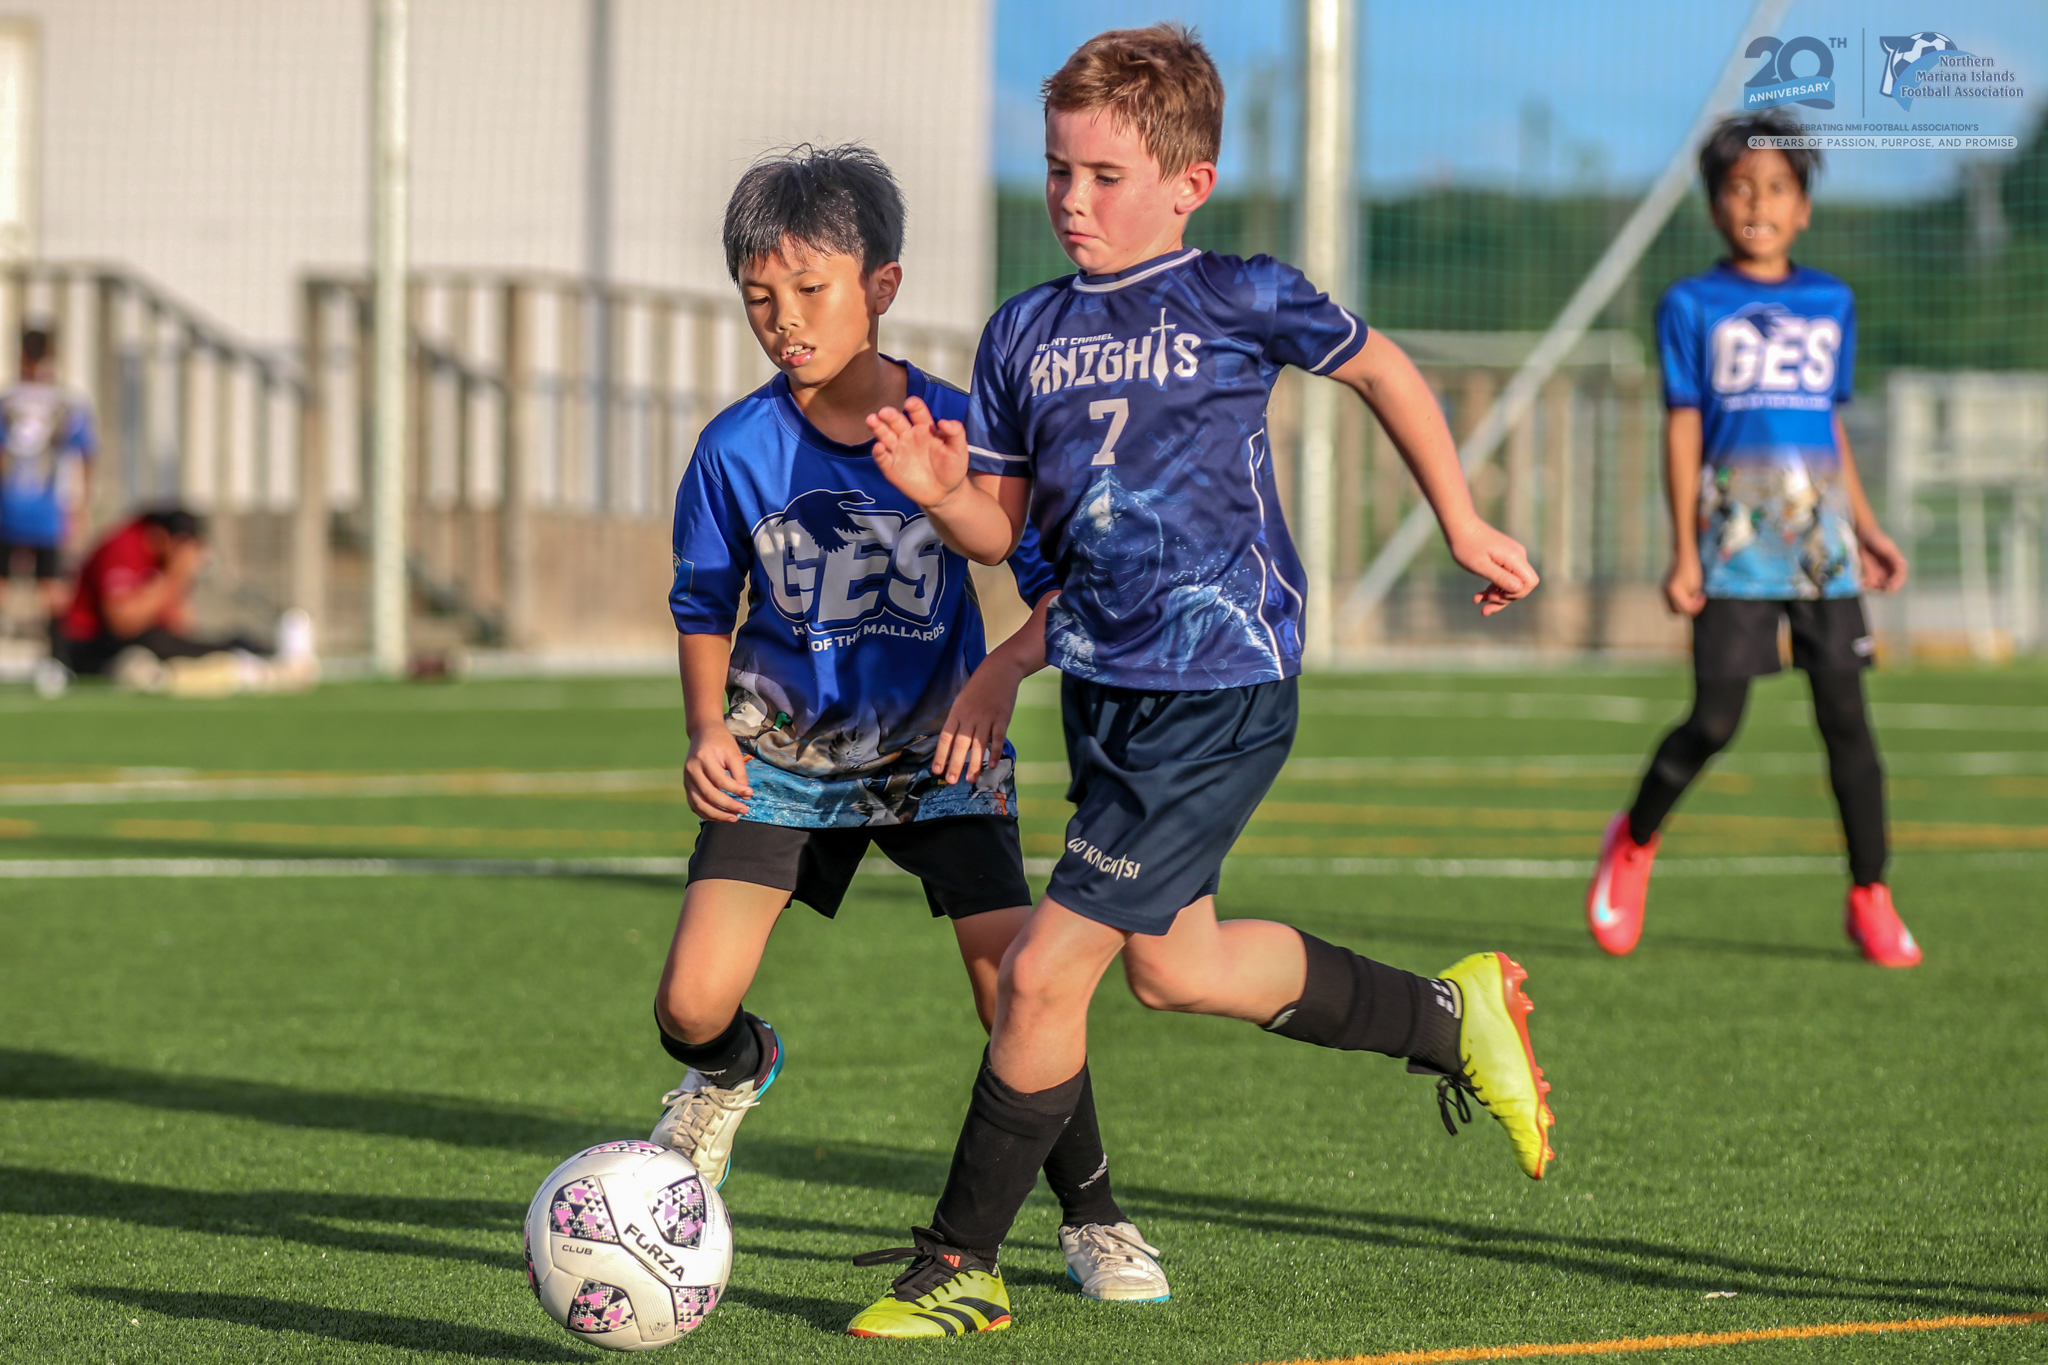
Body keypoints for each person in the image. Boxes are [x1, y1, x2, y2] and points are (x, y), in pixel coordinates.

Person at [845, 26, 1553, 1337]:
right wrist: (942, 492)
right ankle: (1450, 1017)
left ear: (1189, 184)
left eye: (1103, 176)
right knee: (1178, 967)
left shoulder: (1239, 295)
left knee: (1043, 973)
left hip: (1220, 688)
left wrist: (1458, 519)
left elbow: (1382, 367)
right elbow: (1003, 533)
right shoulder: (1022, 331)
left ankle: (959, 1268)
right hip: (1105, 694)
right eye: (1057, 170)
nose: (1071, 199)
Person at [653, 144, 1171, 1310]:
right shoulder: (734, 449)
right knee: (689, 1006)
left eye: (811, 290)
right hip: (781, 765)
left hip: (939, 758)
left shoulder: (960, 428)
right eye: (758, 298)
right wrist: (705, 730)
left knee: (1017, 991)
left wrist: (998, 677)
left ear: (881, 285)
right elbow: (702, 605)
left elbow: (1056, 585)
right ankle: (734, 1073)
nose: (784, 321)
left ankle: (1094, 1217)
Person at [1584, 112, 1917, 968]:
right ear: (1713, 205)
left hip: (1821, 546)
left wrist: (1867, 528)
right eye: (1739, 189)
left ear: (1804, 206)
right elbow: (1682, 428)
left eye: (1776, 188)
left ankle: (1871, 894)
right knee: (1715, 719)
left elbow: (1827, 429)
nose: (1757, 204)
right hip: (1734, 544)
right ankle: (1634, 839)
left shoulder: (1831, 302)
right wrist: (1683, 549)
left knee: (1847, 719)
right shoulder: (1690, 304)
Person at [55, 507, 312, 695]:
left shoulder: (163, 557)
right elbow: (123, 622)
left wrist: (180, 580)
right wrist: (175, 575)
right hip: (89, 644)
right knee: (157, 643)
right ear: (162, 537)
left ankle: (247, 653)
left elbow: (180, 625)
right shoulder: (123, 547)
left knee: (185, 645)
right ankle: (245, 659)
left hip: (137, 638)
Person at [0, 327, 96, 655]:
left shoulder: (8, 400)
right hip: (48, 508)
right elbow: (86, 455)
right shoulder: (68, 402)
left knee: (6, 581)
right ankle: (57, 657)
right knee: (52, 585)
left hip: (10, 504)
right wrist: (82, 505)